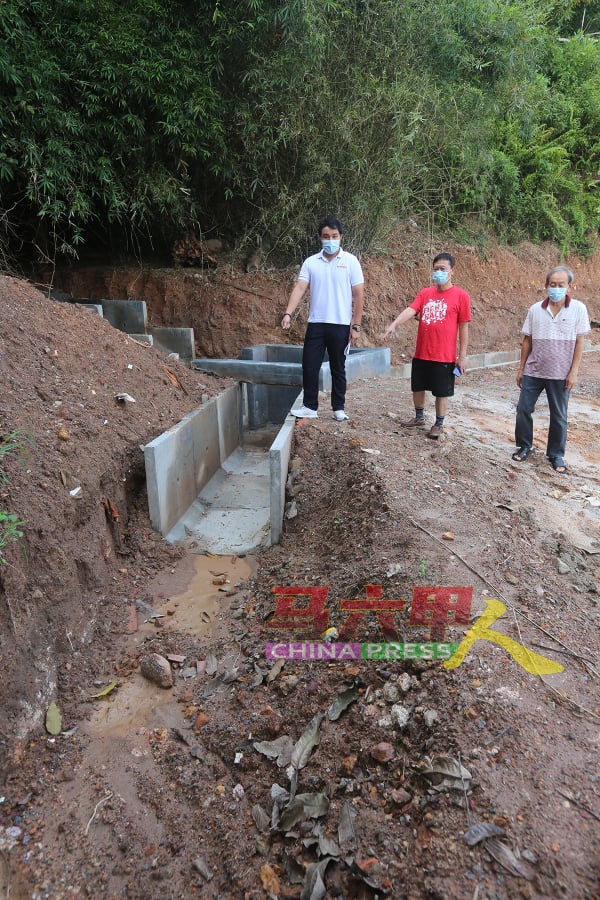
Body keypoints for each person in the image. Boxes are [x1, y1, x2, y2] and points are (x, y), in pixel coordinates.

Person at [281, 217, 364, 420]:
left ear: (341, 237)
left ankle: (338, 408)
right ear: (320, 238)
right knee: (309, 365)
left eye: (334, 236)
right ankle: (309, 406)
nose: (330, 240)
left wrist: (356, 326)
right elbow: (300, 287)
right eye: (326, 236)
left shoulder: (350, 262)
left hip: (340, 324)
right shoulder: (311, 262)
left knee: (338, 367)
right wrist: (288, 313)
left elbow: (358, 294)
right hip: (317, 323)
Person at [382, 252, 470, 439]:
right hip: (422, 352)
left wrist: (462, 356)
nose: (438, 272)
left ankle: (438, 424)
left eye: (442, 269)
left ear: (452, 271)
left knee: (441, 392)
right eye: (436, 269)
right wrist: (395, 324)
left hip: (444, 355)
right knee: (418, 386)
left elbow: (463, 328)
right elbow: (411, 309)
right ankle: (419, 417)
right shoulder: (425, 293)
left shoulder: (461, 296)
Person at [512, 265, 591, 474]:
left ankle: (556, 454)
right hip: (534, 371)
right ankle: (524, 446)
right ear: (546, 286)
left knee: (559, 415)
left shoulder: (578, 309)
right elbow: (526, 341)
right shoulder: (535, 309)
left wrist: (573, 372)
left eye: (561, 285)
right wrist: (521, 368)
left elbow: (580, 343)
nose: (556, 288)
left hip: (561, 374)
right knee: (523, 409)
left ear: (570, 287)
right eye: (552, 285)